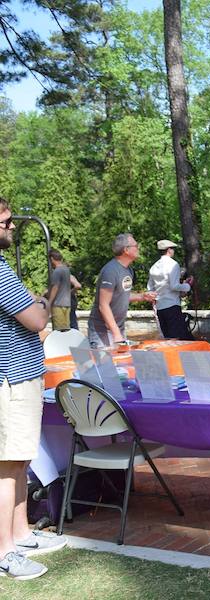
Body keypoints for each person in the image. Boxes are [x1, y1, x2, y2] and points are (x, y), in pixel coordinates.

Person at [0, 198, 67, 581]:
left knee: (18, 461)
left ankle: (21, 534)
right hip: (11, 380)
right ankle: (6, 550)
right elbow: (35, 318)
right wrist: (41, 301)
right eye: (6, 222)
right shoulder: (0, 272)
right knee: (7, 468)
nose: (12, 228)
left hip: (16, 378)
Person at [86, 233, 157, 348]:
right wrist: (116, 334)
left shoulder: (129, 270)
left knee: (121, 365)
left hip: (118, 329)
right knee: (105, 365)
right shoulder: (110, 271)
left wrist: (142, 297)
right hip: (102, 332)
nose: (138, 248)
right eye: (136, 245)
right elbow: (103, 305)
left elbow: (122, 295)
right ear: (126, 250)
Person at [148, 240, 194, 340]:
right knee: (178, 339)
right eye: (172, 249)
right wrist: (187, 286)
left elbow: (150, 288)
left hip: (160, 308)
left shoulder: (153, 267)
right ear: (169, 250)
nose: (173, 251)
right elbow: (174, 286)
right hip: (172, 306)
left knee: (167, 338)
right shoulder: (173, 264)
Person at [47, 249, 81, 331]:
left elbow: (55, 288)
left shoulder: (57, 272)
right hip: (67, 304)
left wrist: (49, 302)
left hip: (58, 305)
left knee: (59, 331)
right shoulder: (66, 270)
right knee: (67, 330)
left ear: (52, 259)